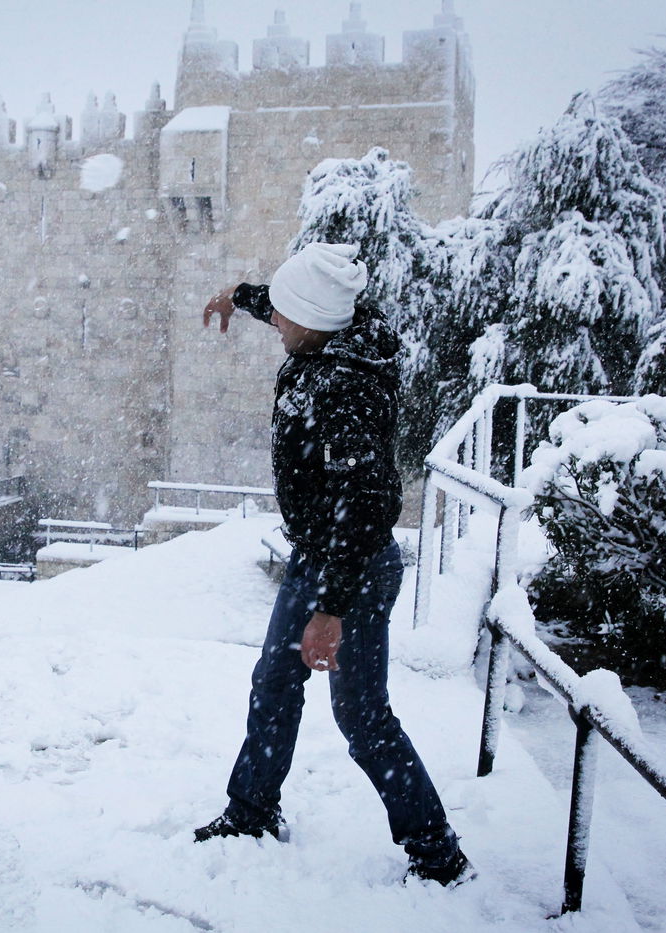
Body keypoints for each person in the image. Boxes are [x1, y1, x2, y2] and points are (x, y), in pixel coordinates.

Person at [193, 242, 472, 887]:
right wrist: (240, 296)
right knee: (276, 684)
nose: (278, 325)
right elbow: (293, 305)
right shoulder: (332, 332)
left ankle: (437, 854)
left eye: (286, 317)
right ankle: (252, 811)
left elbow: (372, 502)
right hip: (328, 557)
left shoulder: (343, 385)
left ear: (315, 321)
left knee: (361, 715)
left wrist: (330, 610)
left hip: (350, 568)